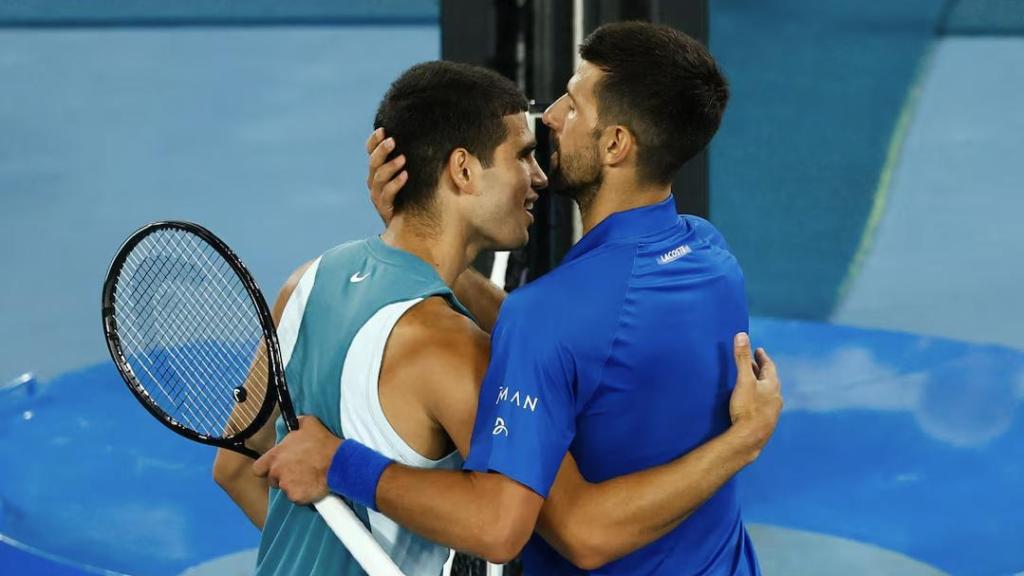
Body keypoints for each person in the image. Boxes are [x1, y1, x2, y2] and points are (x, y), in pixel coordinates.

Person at [252, 21, 781, 575]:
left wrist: (745, 441)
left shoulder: (543, 320)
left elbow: (579, 534)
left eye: (573, 105)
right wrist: (423, 242)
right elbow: (576, 345)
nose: (550, 116)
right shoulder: (712, 257)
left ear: (615, 144)